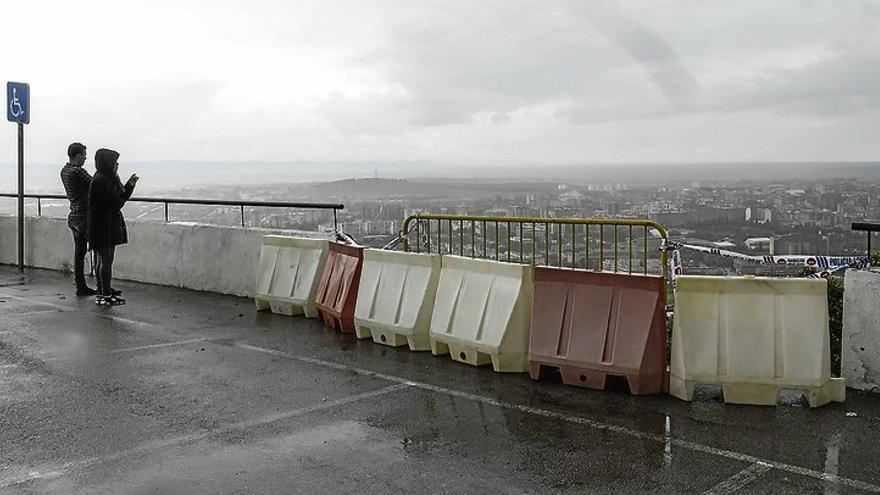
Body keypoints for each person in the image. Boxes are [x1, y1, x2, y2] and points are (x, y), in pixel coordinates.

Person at [88, 148, 138, 306]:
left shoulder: (100, 178)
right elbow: (118, 202)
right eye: (114, 162)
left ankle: (102, 294)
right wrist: (127, 188)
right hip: (105, 226)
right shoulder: (104, 180)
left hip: (99, 225)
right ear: (107, 163)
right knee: (106, 261)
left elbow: (117, 199)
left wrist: (127, 186)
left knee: (100, 261)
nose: (116, 165)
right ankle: (106, 295)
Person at [60, 142, 95, 296]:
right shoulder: (78, 172)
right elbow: (96, 184)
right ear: (78, 155)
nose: (86, 158)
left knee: (79, 253)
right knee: (100, 250)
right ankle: (102, 286)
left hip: (73, 216)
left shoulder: (64, 171)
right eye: (84, 155)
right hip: (84, 217)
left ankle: (80, 285)